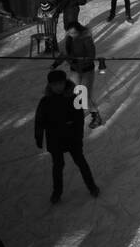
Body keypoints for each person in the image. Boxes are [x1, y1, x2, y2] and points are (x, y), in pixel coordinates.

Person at [34, 70, 100, 203]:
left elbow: (79, 119)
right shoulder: (46, 101)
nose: (58, 87)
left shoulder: (73, 98)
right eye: (54, 85)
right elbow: (39, 120)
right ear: (50, 86)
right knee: (58, 165)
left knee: (81, 162)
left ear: (65, 83)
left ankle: (92, 186)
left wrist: (78, 137)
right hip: (55, 139)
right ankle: (57, 192)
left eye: (60, 83)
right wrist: (39, 137)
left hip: (72, 139)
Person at [53, 22, 102, 128]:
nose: (72, 34)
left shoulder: (86, 39)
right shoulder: (69, 38)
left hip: (86, 70)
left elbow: (91, 55)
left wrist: (81, 63)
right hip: (74, 69)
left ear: (79, 31)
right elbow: (65, 53)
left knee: (85, 94)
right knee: (73, 93)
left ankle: (96, 116)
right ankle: (76, 114)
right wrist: (56, 64)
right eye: (70, 33)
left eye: (74, 32)